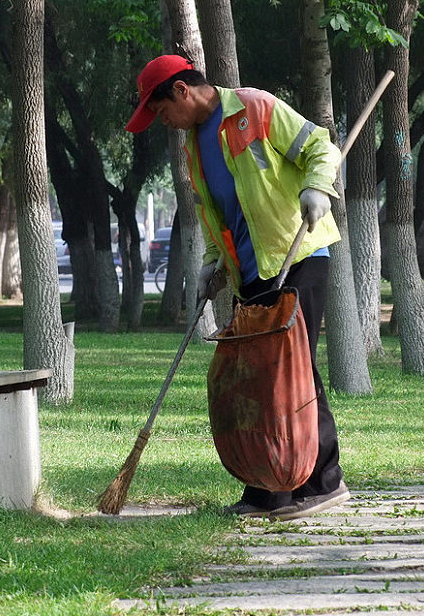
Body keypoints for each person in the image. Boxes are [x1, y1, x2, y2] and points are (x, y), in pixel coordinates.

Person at [125, 54, 349, 520]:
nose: (163, 121)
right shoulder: (192, 147)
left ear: (182, 91)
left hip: (298, 256)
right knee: (257, 380)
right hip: (251, 273)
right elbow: (216, 214)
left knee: (293, 373)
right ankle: (267, 490)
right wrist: (212, 264)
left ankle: (324, 482)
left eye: (161, 110)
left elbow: (322, 147)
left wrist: (316, 188)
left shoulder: (255, 107)